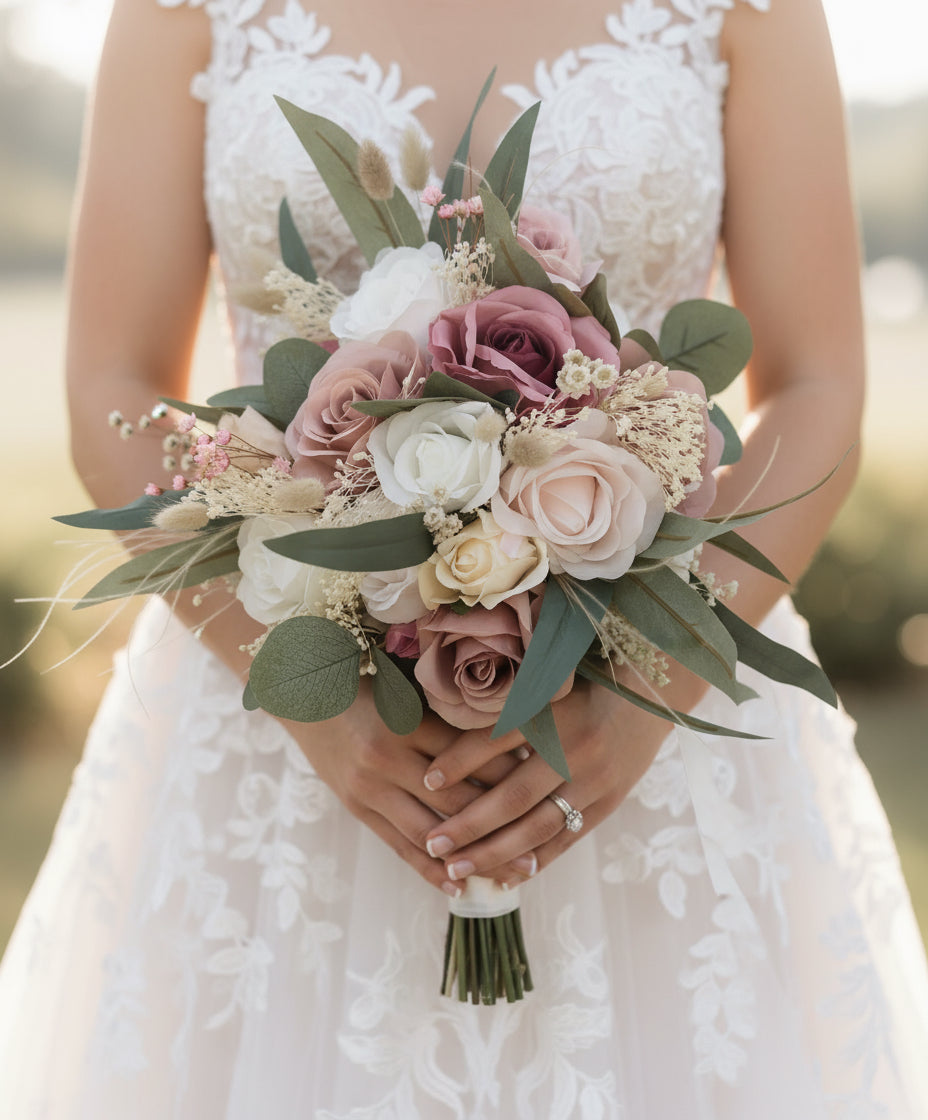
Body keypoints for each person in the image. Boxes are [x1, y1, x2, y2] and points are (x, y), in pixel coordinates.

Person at [2, 0, 928, 1115]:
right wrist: (306, 698)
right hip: (277, 749)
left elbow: (818, 380)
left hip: (661, 731)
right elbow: (113, 386)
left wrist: (650, 688)